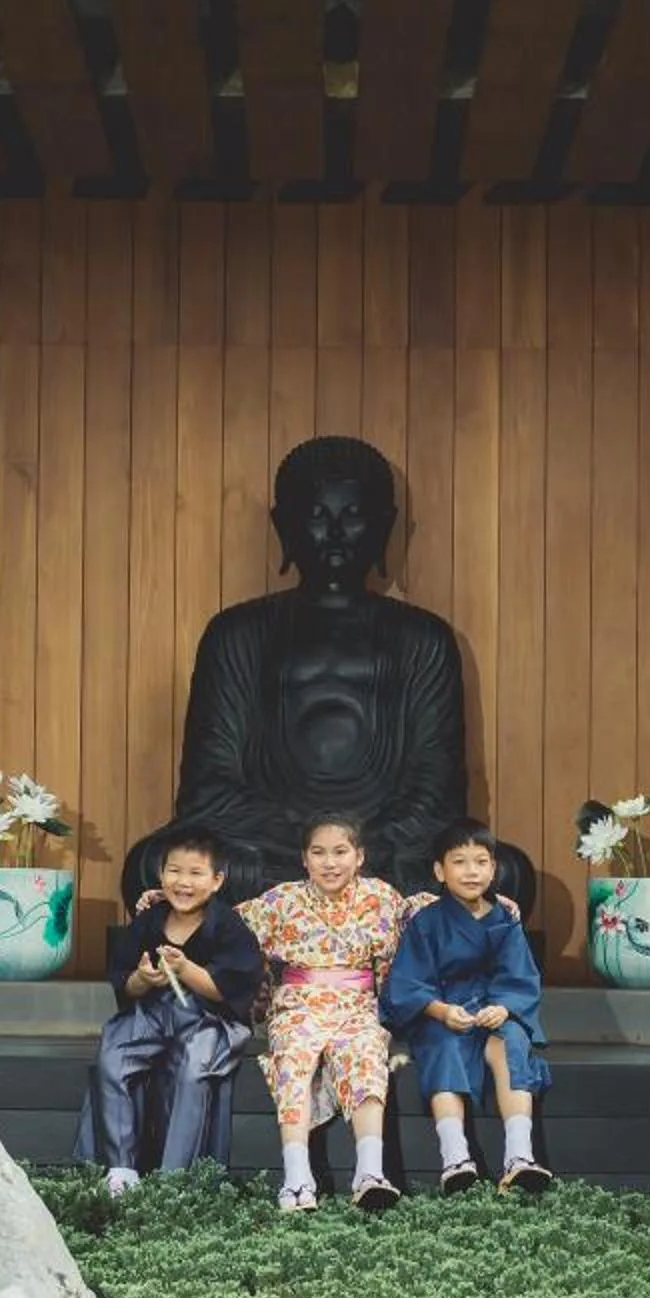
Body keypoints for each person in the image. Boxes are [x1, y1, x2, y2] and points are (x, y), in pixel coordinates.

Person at [116, 435, 537, 915]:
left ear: (385, 526)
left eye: (353, 515)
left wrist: (354, 848)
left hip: (383, 851)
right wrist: (310, 845)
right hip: (268, 850)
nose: (335, 532)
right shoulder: (237, 634)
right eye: (316, 516)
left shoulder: (424, 639)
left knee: (506, 875)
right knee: (151, 867)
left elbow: (438, 789)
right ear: (284, 526)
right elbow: (207, 785)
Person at [232, 815, 409, 1213]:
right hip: (298, 1003)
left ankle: (370, 1173)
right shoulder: (282, 900)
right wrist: (166, 901)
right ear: (304, 859)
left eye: (340, 852)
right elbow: (226, 924)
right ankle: (297, 1178)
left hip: (357, 1006)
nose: (330, 863)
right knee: (293, 1057)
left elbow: (421, 917)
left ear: (359, 856)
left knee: (366, 1054)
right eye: (319, 853)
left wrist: (493, 902)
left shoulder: (381, 897)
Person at [79, 827, 265, 1196]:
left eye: (196, 874)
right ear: (162, 876)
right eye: (174, 871)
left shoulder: (228, 926)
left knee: (194, 1068)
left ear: (216, 881)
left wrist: (186, 970)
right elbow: (125, 984)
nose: (183, 882)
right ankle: (121, 1168)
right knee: (113, 1056)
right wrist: (143, 978)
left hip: (209, 1020)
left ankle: (176, 1177)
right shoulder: (149, 920)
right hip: (153, 1012)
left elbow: (230, 990)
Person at [384, 820, 555, 1194]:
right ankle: (455, 1156)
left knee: (511, 1043)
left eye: (481, 861)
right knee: (442, 1048)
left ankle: (519, 1155)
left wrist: (506, 1008)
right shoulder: (426, 922)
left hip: (493, 1011)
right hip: (444, 1013)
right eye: (459, 862)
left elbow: (519, 976)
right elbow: (408, 983)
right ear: (439, 871)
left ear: (494, 869)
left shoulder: (506, 921)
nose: (471, 871)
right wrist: (440, 1010)